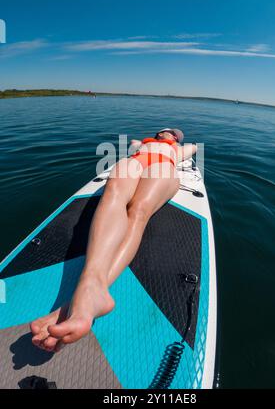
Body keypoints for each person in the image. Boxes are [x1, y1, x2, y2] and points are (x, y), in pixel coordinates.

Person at [30, 128, 197, 352]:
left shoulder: (178, 149)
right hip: (136, 163)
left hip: (163, 166)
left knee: (138, 211)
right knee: (113, 195)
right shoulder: (142, 143)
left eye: (173, 134)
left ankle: (81, 298)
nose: (167, 134)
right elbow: (134, 146)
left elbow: (193, 150)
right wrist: (140, 146)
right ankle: (89, 292)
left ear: (176, 139)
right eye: (164, 132)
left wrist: (184, 148)